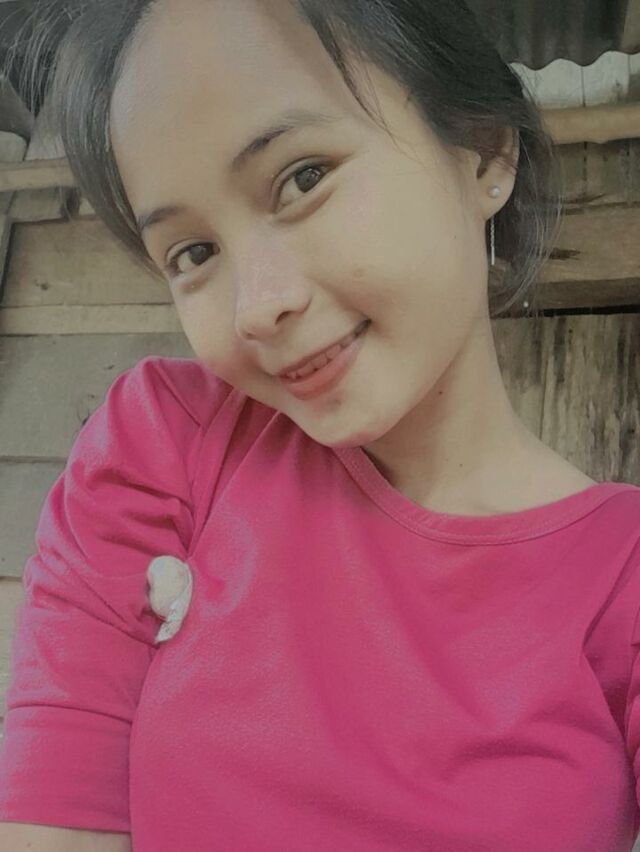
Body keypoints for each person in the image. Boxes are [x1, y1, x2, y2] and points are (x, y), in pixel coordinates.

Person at [1, 1, 639, 849]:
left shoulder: (622, 575)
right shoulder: (165, 445)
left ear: (485, 151)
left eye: (303, 178)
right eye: (193, 254)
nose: (258, 307)